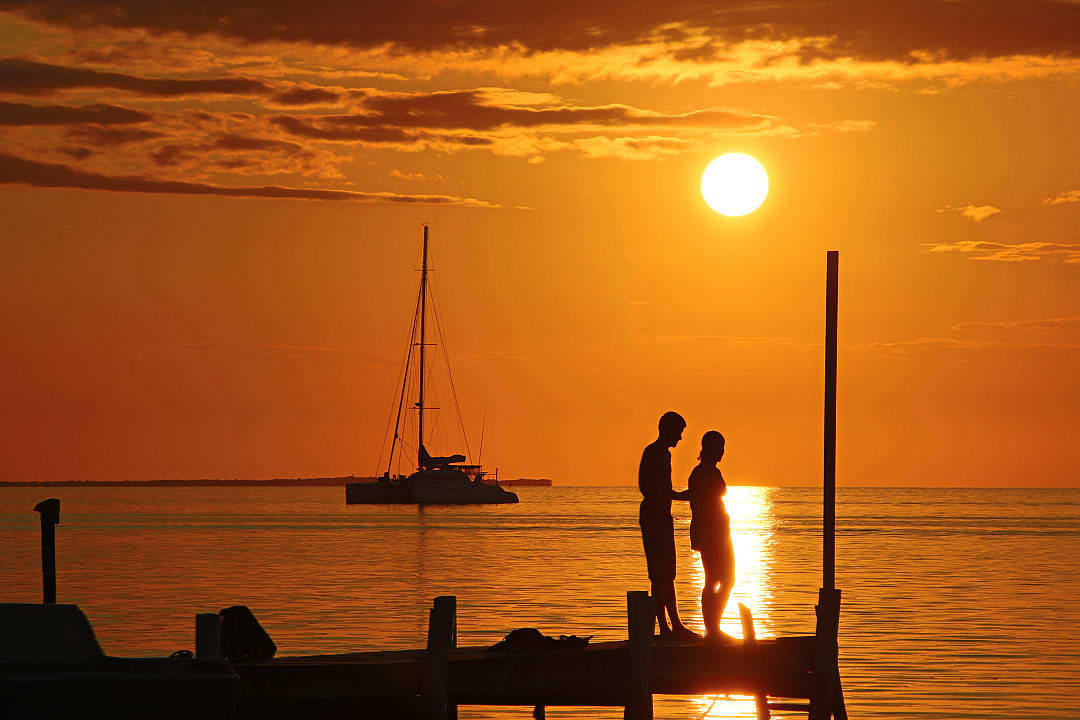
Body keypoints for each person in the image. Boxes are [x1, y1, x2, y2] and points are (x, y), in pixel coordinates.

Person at [638, 411, 697, 640]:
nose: (681, 438)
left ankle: (671, 626)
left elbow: (661, 490)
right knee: (659, 574)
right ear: (668, 429)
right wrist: (681, 496)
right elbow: (649, 488)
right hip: (654, 517)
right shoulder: (654, 453)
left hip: (661, 516)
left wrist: (678, 496)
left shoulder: (663, 454)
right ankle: (666, 627)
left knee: (666, 574)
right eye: (679, 432)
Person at [687, 430, 735, 642]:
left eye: (723, 448)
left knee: (726, 579)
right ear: (709, 449)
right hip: (710, 535)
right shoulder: (701, 473)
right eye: (719, 448)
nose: (722, 452)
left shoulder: (712, 471)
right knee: (714, 579)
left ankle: (714, 627)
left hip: (719, 533)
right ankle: (712, 629)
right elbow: (697, 499)